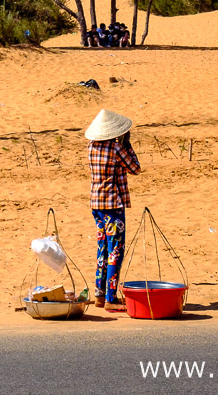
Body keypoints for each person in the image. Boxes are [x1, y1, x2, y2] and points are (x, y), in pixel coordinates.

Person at [85, 108, 142, 312]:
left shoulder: (91, 146)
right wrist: (127, 145)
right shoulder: (116, 148)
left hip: (96, 203)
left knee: (103, 248)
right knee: (115, 250)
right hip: (112, 205)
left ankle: (99, 295)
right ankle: (111, 297)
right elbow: (135, 168)